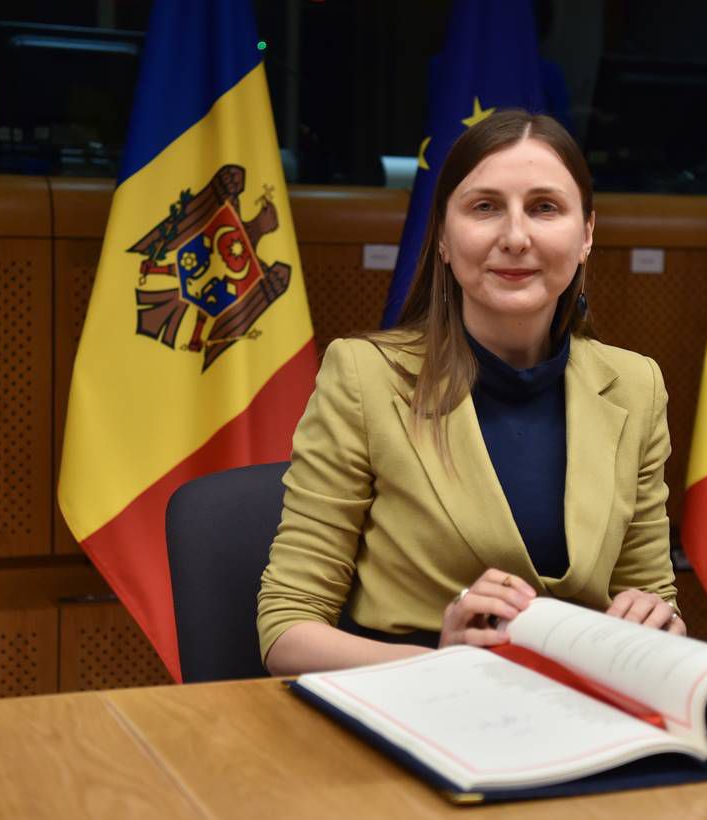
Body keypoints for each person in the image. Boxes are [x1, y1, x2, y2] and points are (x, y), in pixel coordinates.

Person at [258, 110, 682, 675]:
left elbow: (652, 596)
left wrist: (657, 622)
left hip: (573, 701)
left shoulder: (636, 386)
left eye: (544, 207)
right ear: (442, 237)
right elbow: (287, 630)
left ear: (586, 235)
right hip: (415, 698)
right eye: (485, 207)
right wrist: (441, 663)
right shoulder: (363, 377)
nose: (515, 237)